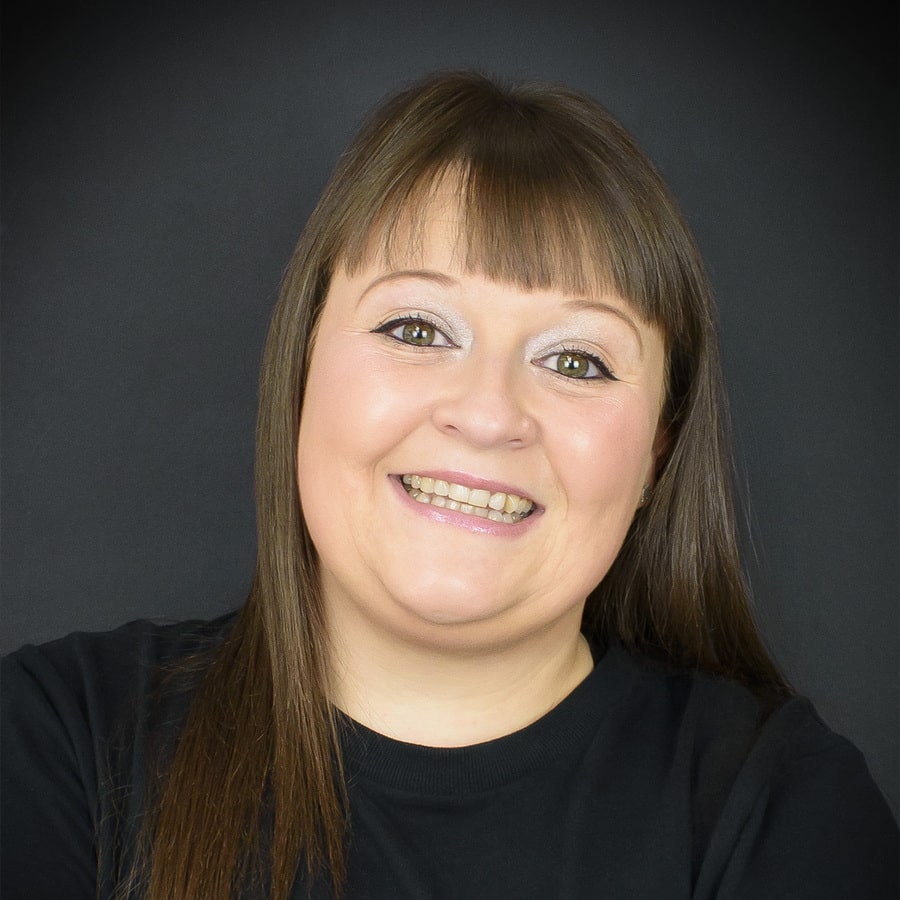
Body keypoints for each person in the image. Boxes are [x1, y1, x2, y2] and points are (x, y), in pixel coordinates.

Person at [1, 71, 896, 900]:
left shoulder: (784, 811)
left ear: (657, 453)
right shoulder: (54, 743)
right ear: (302, 369)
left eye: (576, 361)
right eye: (417, 330)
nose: (488, 413)